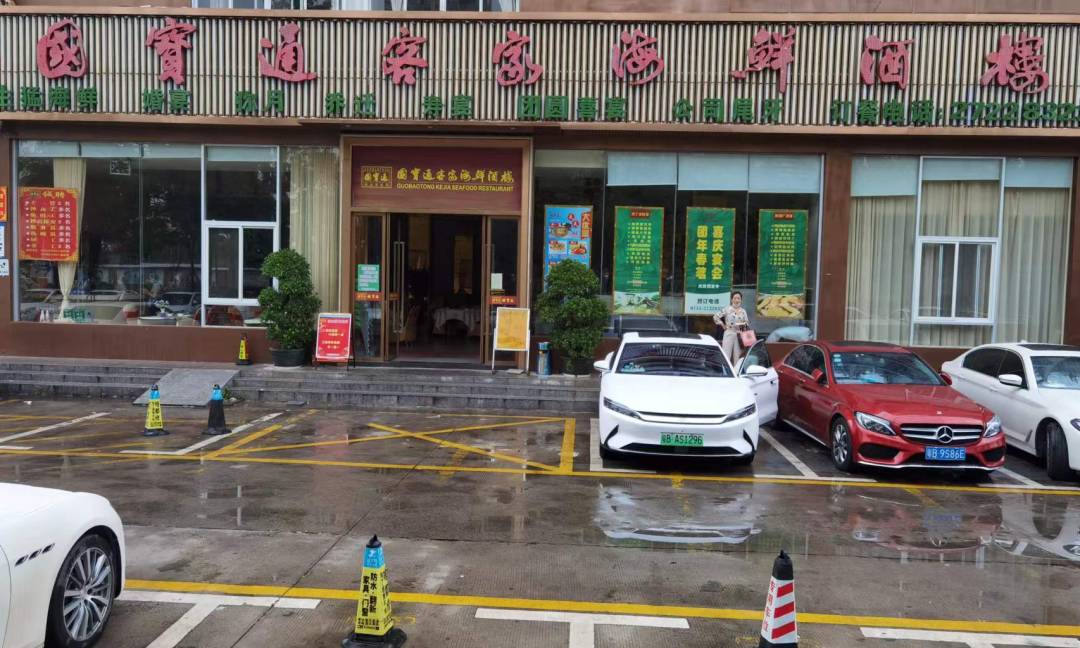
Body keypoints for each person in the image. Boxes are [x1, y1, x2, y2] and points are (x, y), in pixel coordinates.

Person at [713, 291, 751, 365]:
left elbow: (747, 323)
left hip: (739, 335)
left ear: (741, 300)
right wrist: (723, 325)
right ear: (731, 299)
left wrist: (741, 327)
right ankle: (725, 371)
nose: (737, 300)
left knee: (738, 356)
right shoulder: (727, 309)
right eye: (735, 298)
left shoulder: (743, 311)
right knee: (726, 354)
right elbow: (715, 317)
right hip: (729, 333)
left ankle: (736, 371)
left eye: (738, 298)